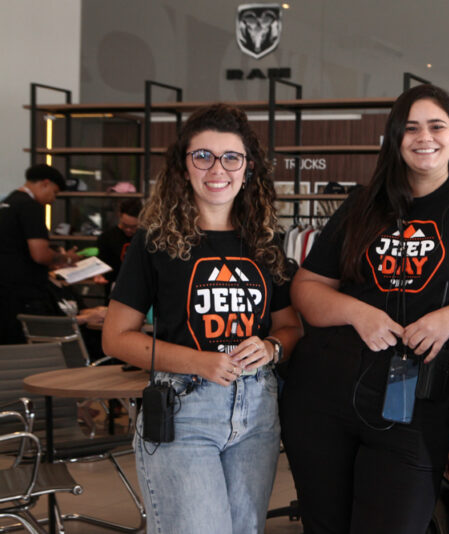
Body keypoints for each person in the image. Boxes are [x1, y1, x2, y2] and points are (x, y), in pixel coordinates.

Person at [280, 84, 449, 534]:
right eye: (410, 128)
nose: (424, 137)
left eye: (436, 126)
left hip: (410, 392)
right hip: (323, 391)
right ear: (395, 139)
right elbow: (308, 289)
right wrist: (358, 312)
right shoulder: (361, 204)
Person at [102, 103, 302, 534]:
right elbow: (116, 338)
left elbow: (292, 327)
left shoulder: (265, 243)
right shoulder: (155, 242)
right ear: (184, 166)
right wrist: (199, 361)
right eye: (203, 156)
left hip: (257, 413)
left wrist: (272, 347)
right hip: (183, 411)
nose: (218, 168)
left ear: (247, 168)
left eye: (231, 157)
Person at [0, 164, 82, 344]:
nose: (52, 199)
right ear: (45, 183)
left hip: (5, 288)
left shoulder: (7, 203)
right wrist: (66, 258)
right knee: (28, 348)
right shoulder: (30, 207)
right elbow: (39, 254)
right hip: (23, 293)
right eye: (54, 192)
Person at [95, 197, 142, 296]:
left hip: (140, 290)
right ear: (119, 216)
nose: (128, 230)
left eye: (133, 227)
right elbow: (99, 262)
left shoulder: (145, 237)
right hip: (114, 290)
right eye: (125, 225)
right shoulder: (107, 237)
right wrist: (98, 274)